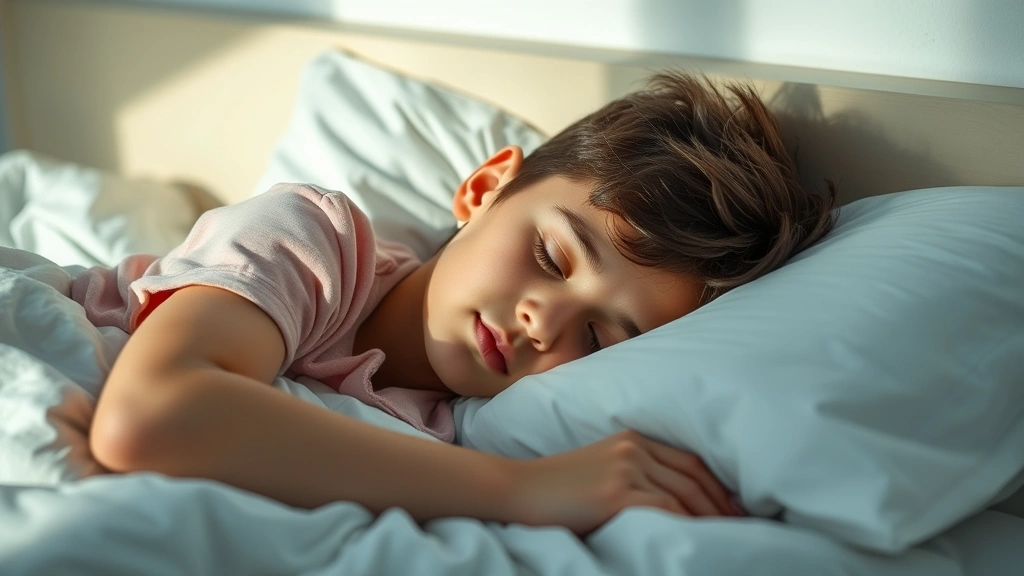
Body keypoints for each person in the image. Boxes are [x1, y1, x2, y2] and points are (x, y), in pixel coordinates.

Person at [77, 71, 835, 536]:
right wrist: (523, 491)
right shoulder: (313, 240)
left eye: (601, 340)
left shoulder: (466, 429)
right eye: (552, 256)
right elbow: (149, 419)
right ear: (484, 189)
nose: (546, 322)